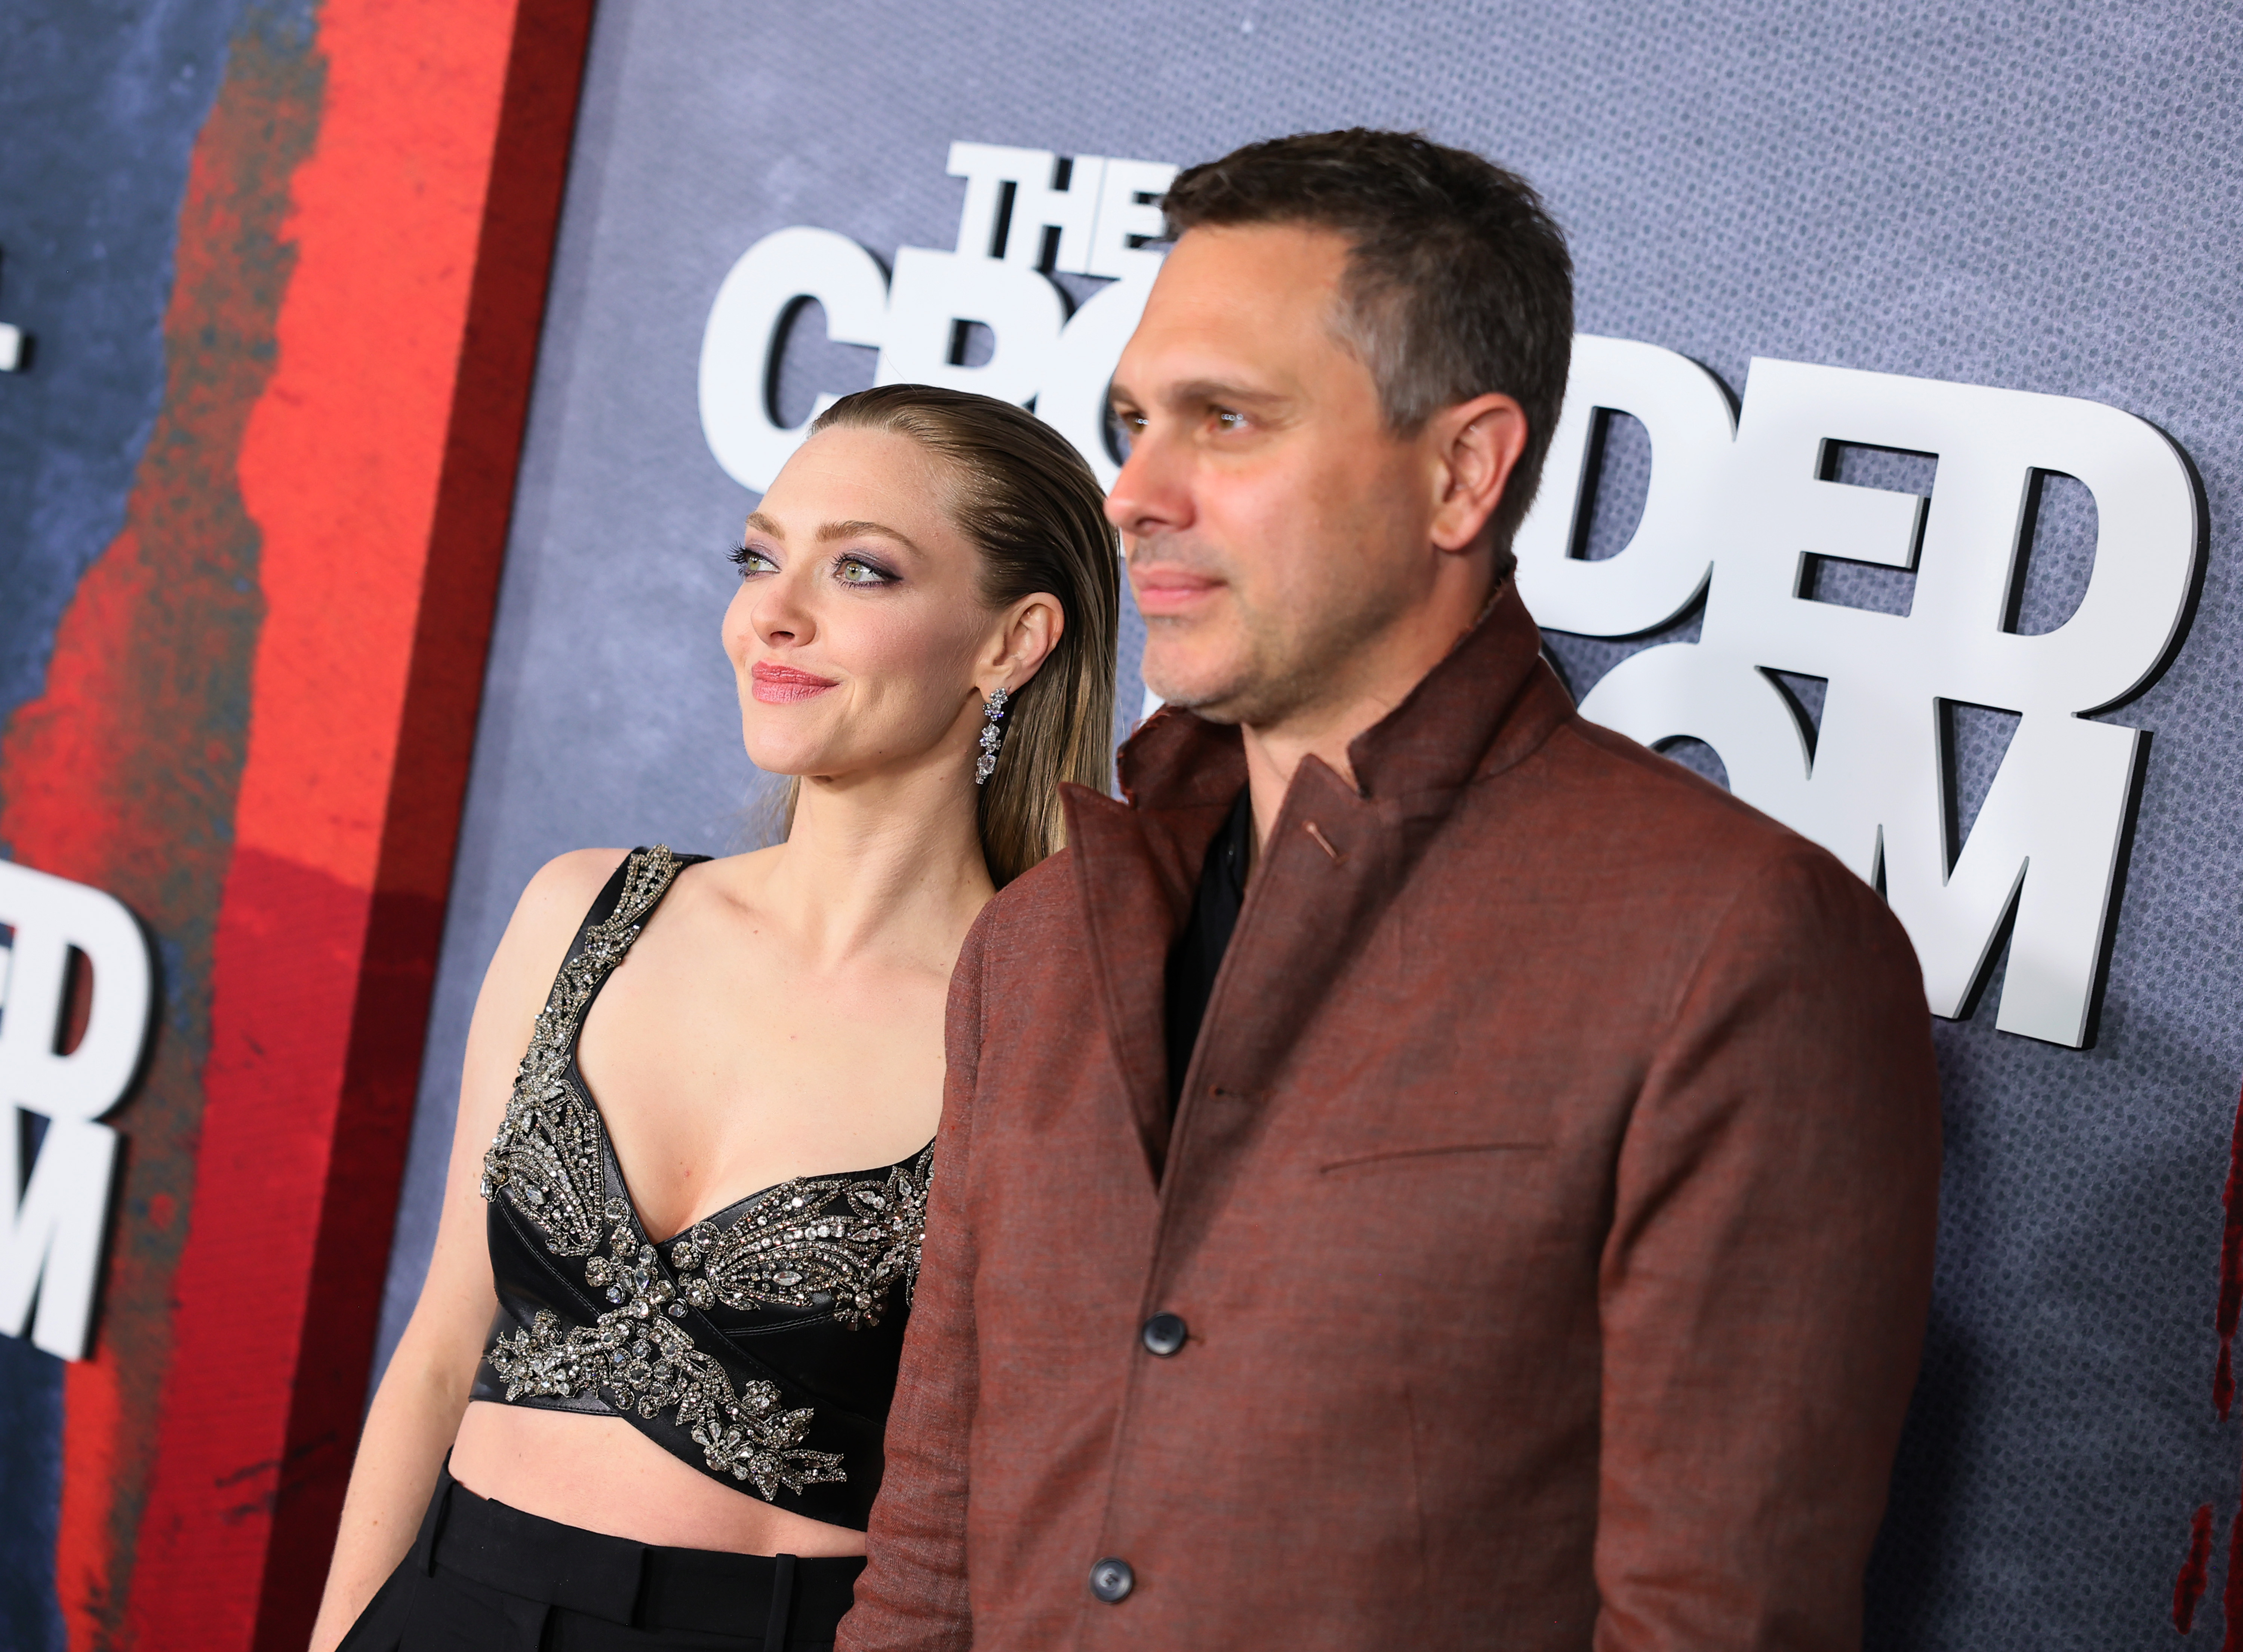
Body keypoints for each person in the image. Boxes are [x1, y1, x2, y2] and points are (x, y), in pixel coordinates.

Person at [839, 129, 1942, 1651]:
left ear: (1461, 471)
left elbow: (1716, 1622)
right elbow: (931, 1560)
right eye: (1132, 421)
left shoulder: (1738, 945)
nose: (1133, 492)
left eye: (1224, 420)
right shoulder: (1035, 943)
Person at [309, 385, 1119, 1652]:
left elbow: (1032, 1493)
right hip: (445, 1603)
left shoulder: (1045, 1021)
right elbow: (438, 1347)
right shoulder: (585, 911)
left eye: (861, 569)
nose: (773, 615)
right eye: (759, 556)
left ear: (1011, 643)